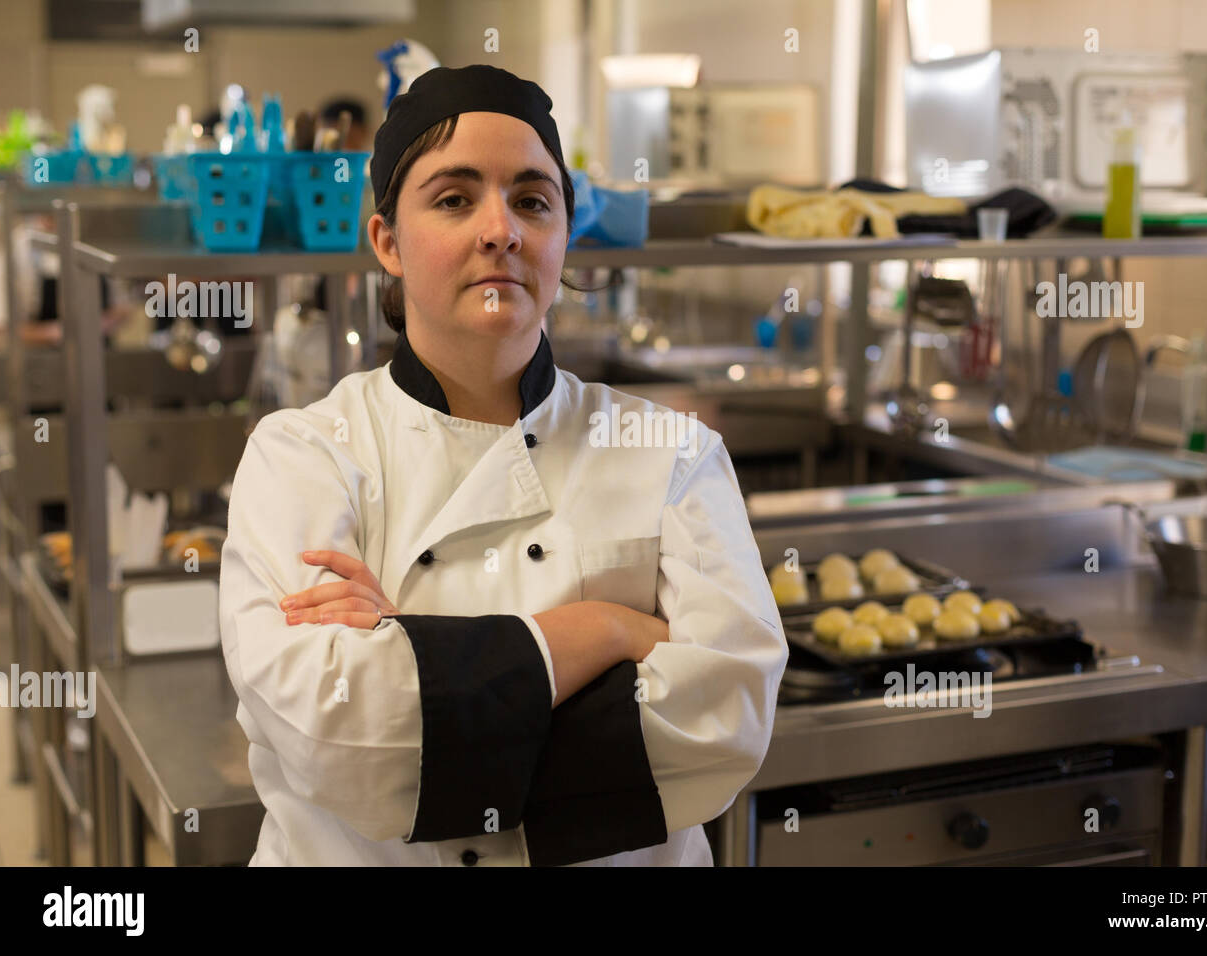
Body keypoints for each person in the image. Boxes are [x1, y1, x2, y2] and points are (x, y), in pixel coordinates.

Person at [218, 64, 787, 867]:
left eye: (531, 200)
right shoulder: (302, 454)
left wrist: (416, 659)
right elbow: (336, 735)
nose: (501, 230)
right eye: (454, 199)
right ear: (387, 242)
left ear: (563, 232)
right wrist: (608, 630)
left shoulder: (673, 453)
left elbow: (727, 722)